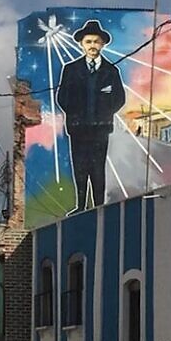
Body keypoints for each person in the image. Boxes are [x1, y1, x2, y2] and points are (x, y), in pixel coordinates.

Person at [57, 19, 125, 212]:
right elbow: (62, 97)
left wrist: (104, 113)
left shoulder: (111, 71)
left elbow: (119, 98)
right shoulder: (71, 69)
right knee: (79, 167)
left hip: (100, 129)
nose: (92, 45)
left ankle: (98, 206)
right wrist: (75, 114)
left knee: (97, 169)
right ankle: (80, 206)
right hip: (78, 128)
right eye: (88, 41)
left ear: (102, 44)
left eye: (96, 41)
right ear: (81, 44)